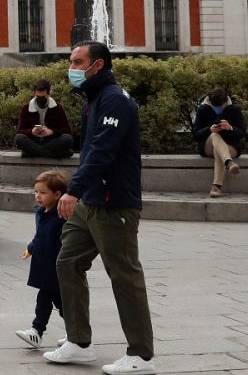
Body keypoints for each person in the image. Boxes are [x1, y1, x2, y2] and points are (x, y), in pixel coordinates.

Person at [44, 41, 154, 374]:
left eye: (78, 62)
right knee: (67, 261)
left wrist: (72, 190)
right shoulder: (93, 100)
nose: (72, 68)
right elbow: (91, 151)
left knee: (124, 275)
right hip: (91, 201)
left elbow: (102, 152)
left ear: (99, 66)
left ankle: (141, 355)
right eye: (71, 62)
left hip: (114, 203)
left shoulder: (115, 101)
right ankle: (78, 343)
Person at [16, 169, 69, 349]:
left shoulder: (62, 216)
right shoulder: (41, 211)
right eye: (36, 192)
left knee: (49, 299)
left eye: (43, 193)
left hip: (55, 266)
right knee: (59, 303)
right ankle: (75, 333)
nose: (38, 196)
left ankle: (37, 331)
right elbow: (40, 235)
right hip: (43, 263)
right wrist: (31, 248)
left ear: (58, 194)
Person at [191, 87, 245, 198]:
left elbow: (242, 133)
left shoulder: (234, 109)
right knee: (215, 135)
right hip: (208, 145)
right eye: (215, 106)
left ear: (225, 102)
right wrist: (209, 130)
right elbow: (195, 135)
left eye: (220, 106)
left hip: (230, 146)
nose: (218, 109)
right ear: (210, 102)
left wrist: (230, 128)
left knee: (218, 151)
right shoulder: (203, 109)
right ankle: (229, 163)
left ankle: (216, 187)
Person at [16, 79, 74, 159]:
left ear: (48, 94)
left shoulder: (57, 108)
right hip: (34, 140)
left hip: (51, 140)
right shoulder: (26, 108)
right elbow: (20, 131)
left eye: (43, 97)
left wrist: (52, 132)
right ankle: (57, 154)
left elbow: (67, 130)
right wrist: (32, 131)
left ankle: (32, 152)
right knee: (19, 138)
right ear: (34, 94)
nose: (40, 100)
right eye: (38, 97)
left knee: (68, 139)